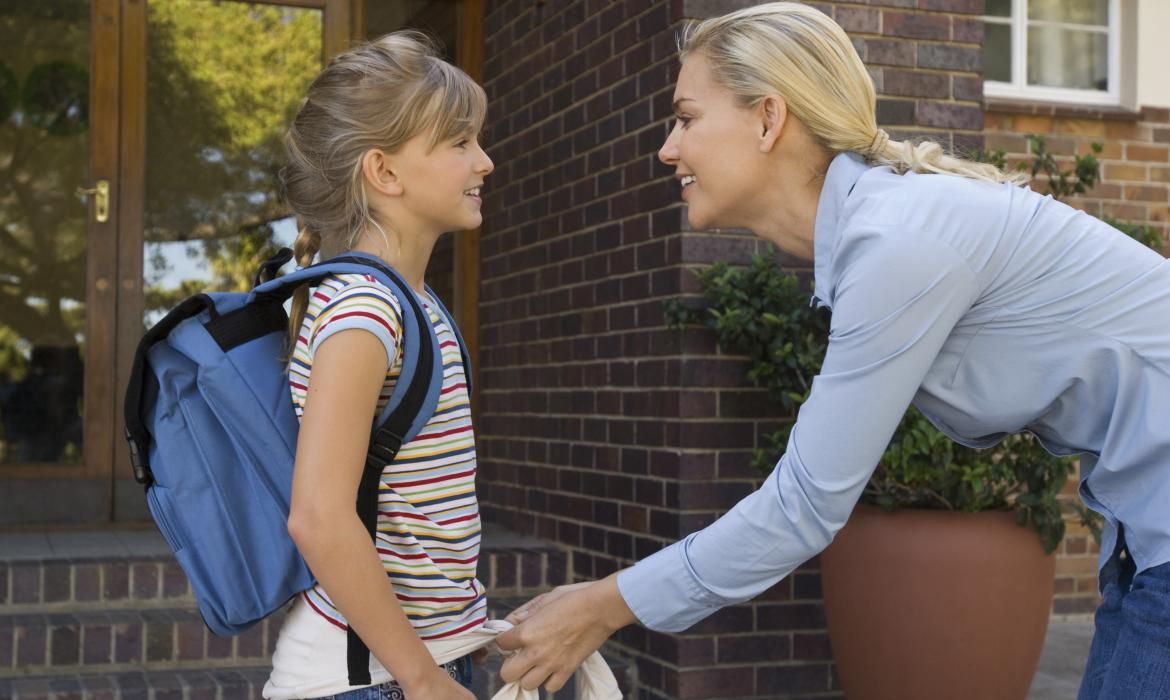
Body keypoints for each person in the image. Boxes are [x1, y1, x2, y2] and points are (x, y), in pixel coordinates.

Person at [495, 4, 1170, 699]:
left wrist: (605, 604)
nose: (669, 148)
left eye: (687, 118)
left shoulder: (898, 243)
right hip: (1145, 537)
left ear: (767, 118)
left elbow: (803, 507)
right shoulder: (878, 238)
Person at [261, 32, 492, 700]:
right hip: (377, 678)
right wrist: (421, 678)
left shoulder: (409, 301)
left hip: (417, 660)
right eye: (459, 143)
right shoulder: (366, 310)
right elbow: (319, 516)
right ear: (384, 172)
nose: (486, 162)